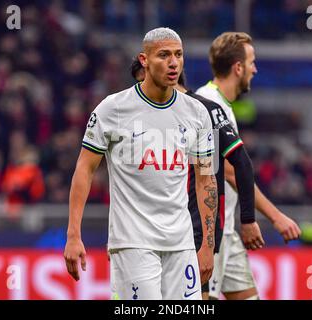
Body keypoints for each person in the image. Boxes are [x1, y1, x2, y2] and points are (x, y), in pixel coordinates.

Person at [64, 27, 217, 300]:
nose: (173, 62)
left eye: (178, 55)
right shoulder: (113, 109)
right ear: (144, 60)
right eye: (164, 55)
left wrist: (207, 243)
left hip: (181, 244)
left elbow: (206, 178)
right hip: (132, 242)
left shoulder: (197, 113)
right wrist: (73, 235)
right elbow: (84, 170)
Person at [130, 59, 264, 299]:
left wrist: (247, 219)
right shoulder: (150, 120)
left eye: (144, 81)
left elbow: (240, 164)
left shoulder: (206, 110)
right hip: (162, 232)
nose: (142, 90)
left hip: (201, 231)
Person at [196, 32, 302, 300]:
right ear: (238, 67)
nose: (255, 69)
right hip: (210, 235)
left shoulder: (223, 105)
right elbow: (231, 172)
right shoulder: (207, 103)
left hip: (228, 230)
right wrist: (275, 217)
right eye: (252, 62)